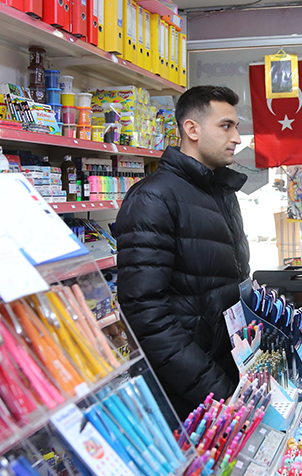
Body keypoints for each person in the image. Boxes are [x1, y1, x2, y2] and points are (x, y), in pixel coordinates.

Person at [114, 86, 249, 418]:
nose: (236, 137)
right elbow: (146, 315)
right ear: (192, 129)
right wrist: (216, 392)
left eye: (236, 126)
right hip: (189, 396)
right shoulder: (152, 198)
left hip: (228, 379)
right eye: (226, 126)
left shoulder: (222, 193)